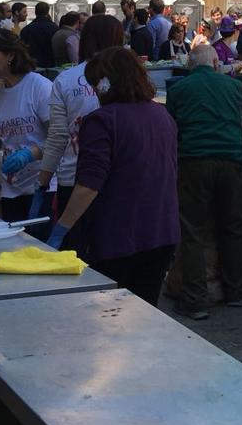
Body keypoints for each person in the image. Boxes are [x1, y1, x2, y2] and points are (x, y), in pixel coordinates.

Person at [45, 47, 179, 306]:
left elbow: (88, 185)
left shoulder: (102, 121)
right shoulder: (162, 115)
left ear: (105, 83)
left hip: (117, 237)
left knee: (109, 317)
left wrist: (62, 227)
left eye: (95, 83)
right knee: (147, 312)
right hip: (162, 232)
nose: (94, 90)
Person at [166, 45, 242, 318]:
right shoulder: (235, 88)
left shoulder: (179, 90)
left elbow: (173, 131)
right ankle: (235, 293)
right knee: (232, 227)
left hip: (193, 163)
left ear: (190, 66)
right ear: (217, 63)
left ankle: (195, 301)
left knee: (193, 230)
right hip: (233, 164)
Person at [30, 15, 126, 229]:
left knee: (74, 252)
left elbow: (57, 137)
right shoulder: (129, 79)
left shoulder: (66, 79)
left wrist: (43, 182)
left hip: (73, 178)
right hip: (120, 178)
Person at [0, 30, 54, 224]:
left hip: (41, 187)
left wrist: (30, 154)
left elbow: (58, 138)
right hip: (12, 189)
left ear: (10, 55)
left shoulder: (39, 87)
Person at [20, 0, 58, 68]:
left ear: (35, 12)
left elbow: (22, 48)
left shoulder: (27, 29)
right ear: (47, 12)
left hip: (33, 64)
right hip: (51, 64)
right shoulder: (55, 28)